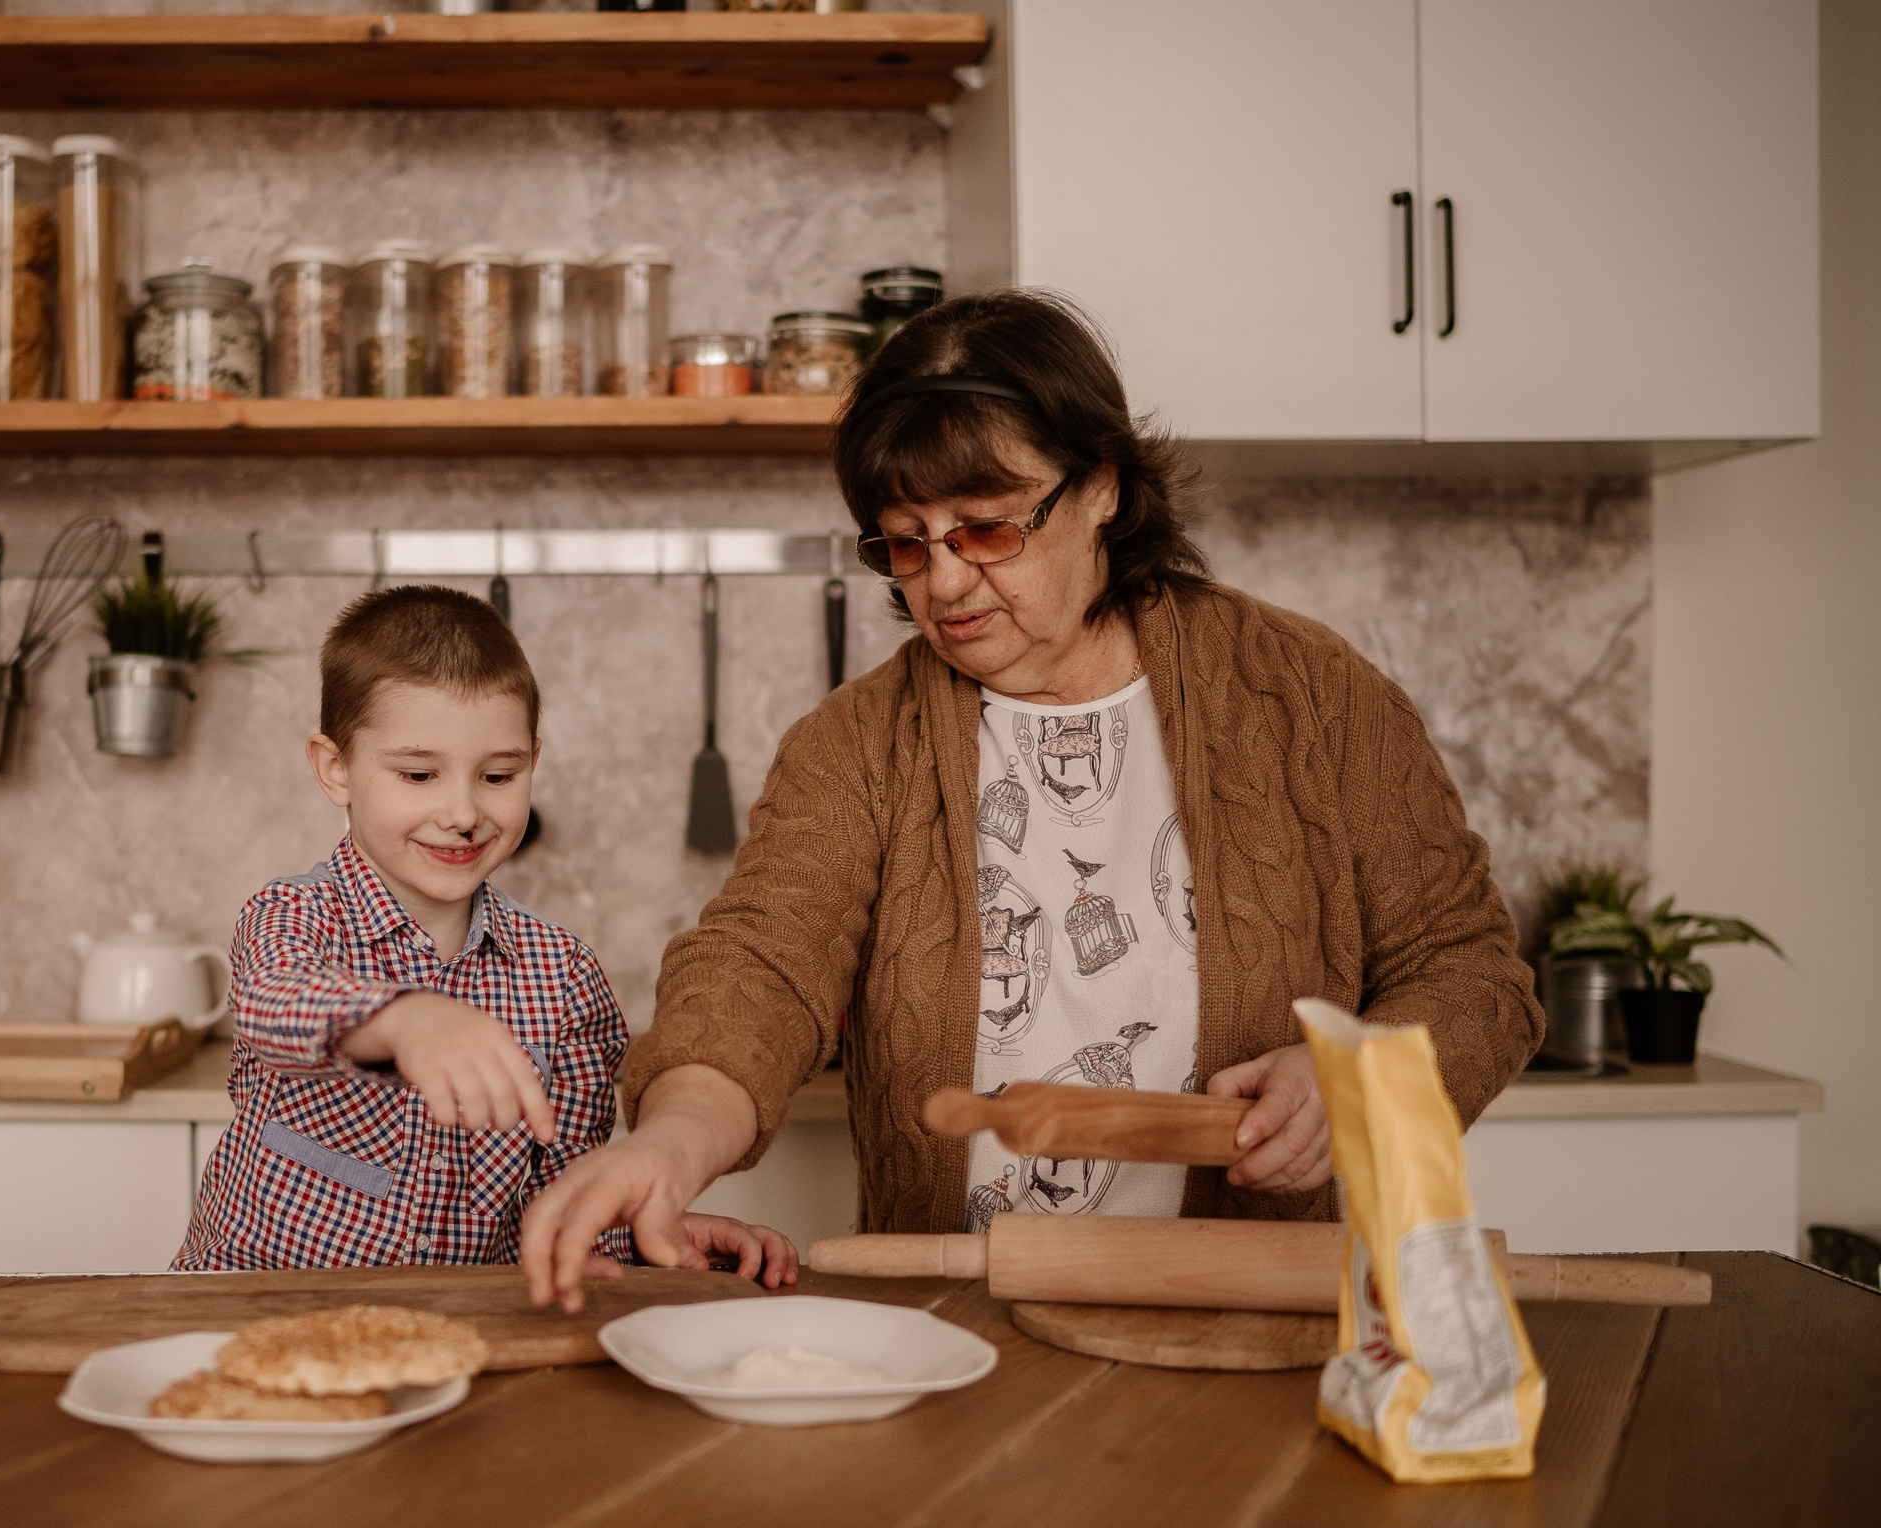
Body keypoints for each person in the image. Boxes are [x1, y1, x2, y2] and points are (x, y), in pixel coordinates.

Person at [518, 290, 1542, 1311]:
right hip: (959, 1332)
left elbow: (1470, 973)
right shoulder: (857, 744)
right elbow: (761, 964)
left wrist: (1355, 1084)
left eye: (985, 529)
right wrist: (670, 1141)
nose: (943, 584)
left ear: (1099, 488)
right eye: (906, 542)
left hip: (1251, 1327)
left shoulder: (1312, 696)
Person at [177, 585, 798, 1283]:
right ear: (336, 769)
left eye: (498, 775)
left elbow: (559, 1202)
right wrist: (405, 1019)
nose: (464, 812)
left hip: (453, 1333)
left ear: (532, 761)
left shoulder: (565, 977)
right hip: (250, 1314)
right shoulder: (294, 914)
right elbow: (273, 1002)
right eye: (419, 774)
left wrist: (652, 1236)